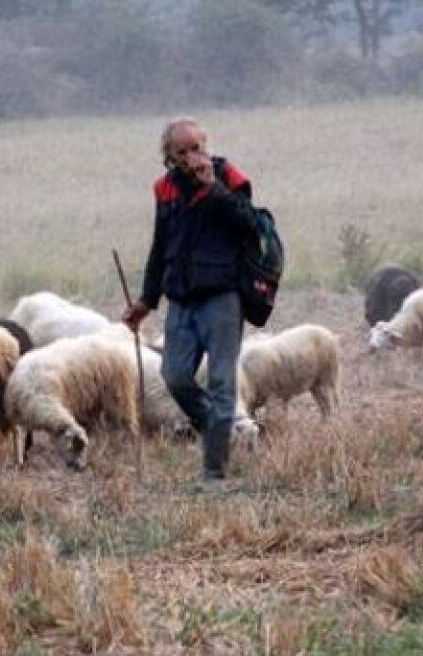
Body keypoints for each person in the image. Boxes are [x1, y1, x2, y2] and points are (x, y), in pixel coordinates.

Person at [122, 117, 259, 483]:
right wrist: (146, 301)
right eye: (181, 151)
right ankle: (219, 429)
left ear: (206, 145)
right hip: (181, 302)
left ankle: (215, 472)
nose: (190, 157)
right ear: (169, 156)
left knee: (220, 383)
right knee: (175, 377)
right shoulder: (164, 190)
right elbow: (160, 246)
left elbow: (248, 225)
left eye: (196, 148)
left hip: (223, 299)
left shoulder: (229, 177)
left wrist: (212, 187)